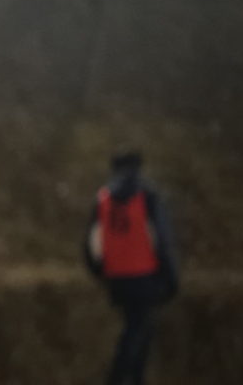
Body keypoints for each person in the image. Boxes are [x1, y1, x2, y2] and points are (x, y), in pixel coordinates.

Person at [83, 151, 179, 385]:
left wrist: (99, 271)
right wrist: (171, 277)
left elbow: (92, 243)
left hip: (116, 275)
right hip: (145, 273)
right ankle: (117, 378)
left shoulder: (103, 199)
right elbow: (162, 240)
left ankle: (135, 378)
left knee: (140, 328)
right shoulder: (148, 197)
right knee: (137, 329)